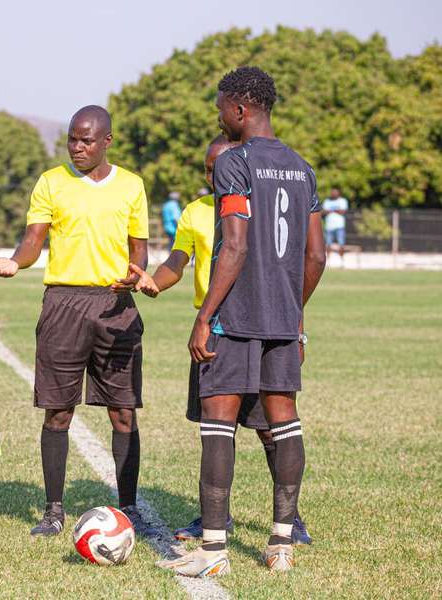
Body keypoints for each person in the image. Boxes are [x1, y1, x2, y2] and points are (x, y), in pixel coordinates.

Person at [157, 67, 326, 577]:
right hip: (283, 320)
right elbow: (316, 257)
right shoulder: (303, 168)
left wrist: (205, 316)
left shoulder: (234, 163)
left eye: (220, 108)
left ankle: (211, 552)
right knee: (284, 422)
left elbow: (234, 244)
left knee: (218, 427)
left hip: (235, 318)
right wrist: (293, 314)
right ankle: (280, 545)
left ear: (239, 109)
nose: (220, 117)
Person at [129, 134, 312, 546]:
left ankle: (290, 517)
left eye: (219, 168)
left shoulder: (255, 206)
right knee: (215, 430)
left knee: (270, 430)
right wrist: (153, 283)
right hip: (214, 335)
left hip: (251, 327)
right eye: (209, 169)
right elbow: (179, 260)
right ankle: (216, 517)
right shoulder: (195, 212)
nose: (214, 176)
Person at [0, 105, 151, 537]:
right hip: (63, 303)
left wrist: (138, 274)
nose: (77, 147)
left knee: (124, 413)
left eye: (87, 140)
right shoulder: (51, 183)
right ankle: (53, 510)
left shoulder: (131, 186)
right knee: (58, 412)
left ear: (107, 141)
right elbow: (32, 242)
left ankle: (129, 507)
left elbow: (140, 250)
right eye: (73, 139)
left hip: (115, 305)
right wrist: (15, 264)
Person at [322, 187, 348, 257]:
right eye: (332, 192)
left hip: (339, 226)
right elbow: (323, 212)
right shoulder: (327, 201)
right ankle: (328, 260)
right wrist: (336, 210)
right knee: (328, 244)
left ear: (338, 193)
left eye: (335, 192)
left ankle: (342, 260)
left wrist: (330, 211)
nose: (333, 193)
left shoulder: (342, 201)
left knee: (341, 243)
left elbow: (343, 211)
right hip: (329, 226)